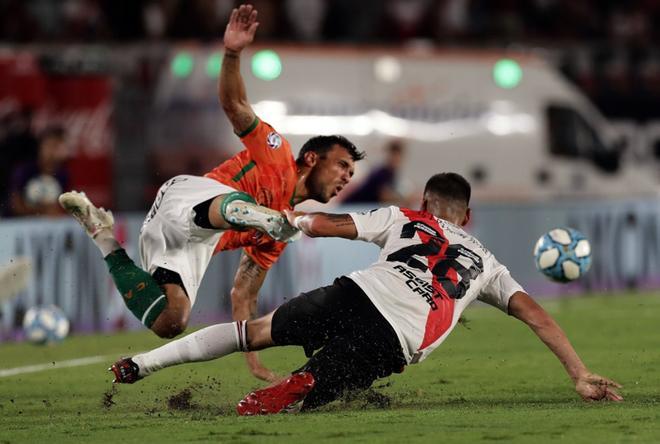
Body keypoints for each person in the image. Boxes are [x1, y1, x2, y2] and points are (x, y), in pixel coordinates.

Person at [108, 172, 622, 415]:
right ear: (467, 218)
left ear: (427, 202)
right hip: (399, 335)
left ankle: (141, 364)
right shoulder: (489, 264)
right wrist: (579, 374)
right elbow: (538, 318)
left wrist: (296, 220)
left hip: (356, 292)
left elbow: (334, 225)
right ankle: (291, 389)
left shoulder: (406, 216)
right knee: (308, 390)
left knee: (254, 332)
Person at [59, 3, 364, 382]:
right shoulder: (277, 153)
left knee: (172, 320)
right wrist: (233, 52)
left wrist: (254, 360)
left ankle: (101, 233)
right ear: (312, 158)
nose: (347, 177)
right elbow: (234, 105)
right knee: (248, 211)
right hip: (191, 199)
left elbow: (243, 294)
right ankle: (260, 215)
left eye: (351, 172)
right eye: (342, 166)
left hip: (186, 242)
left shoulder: (276, 239)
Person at [7, 125, 69, 217]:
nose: (54, 151)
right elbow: (15, 206)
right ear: (40, 147)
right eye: (51, 145)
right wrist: (43, 211)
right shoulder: (24, 171)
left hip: (50, 227)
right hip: (19, 226)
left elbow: (66, 207)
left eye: (59, 146)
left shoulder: (63, 174)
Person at [342, 139, 408, 205]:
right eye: (394, 155)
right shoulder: (382, 173)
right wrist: (404, 199)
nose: (396, 159)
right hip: (353, 206)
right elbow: (384, 197)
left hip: (361, 206)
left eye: (398, 156)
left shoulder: (391, 173)